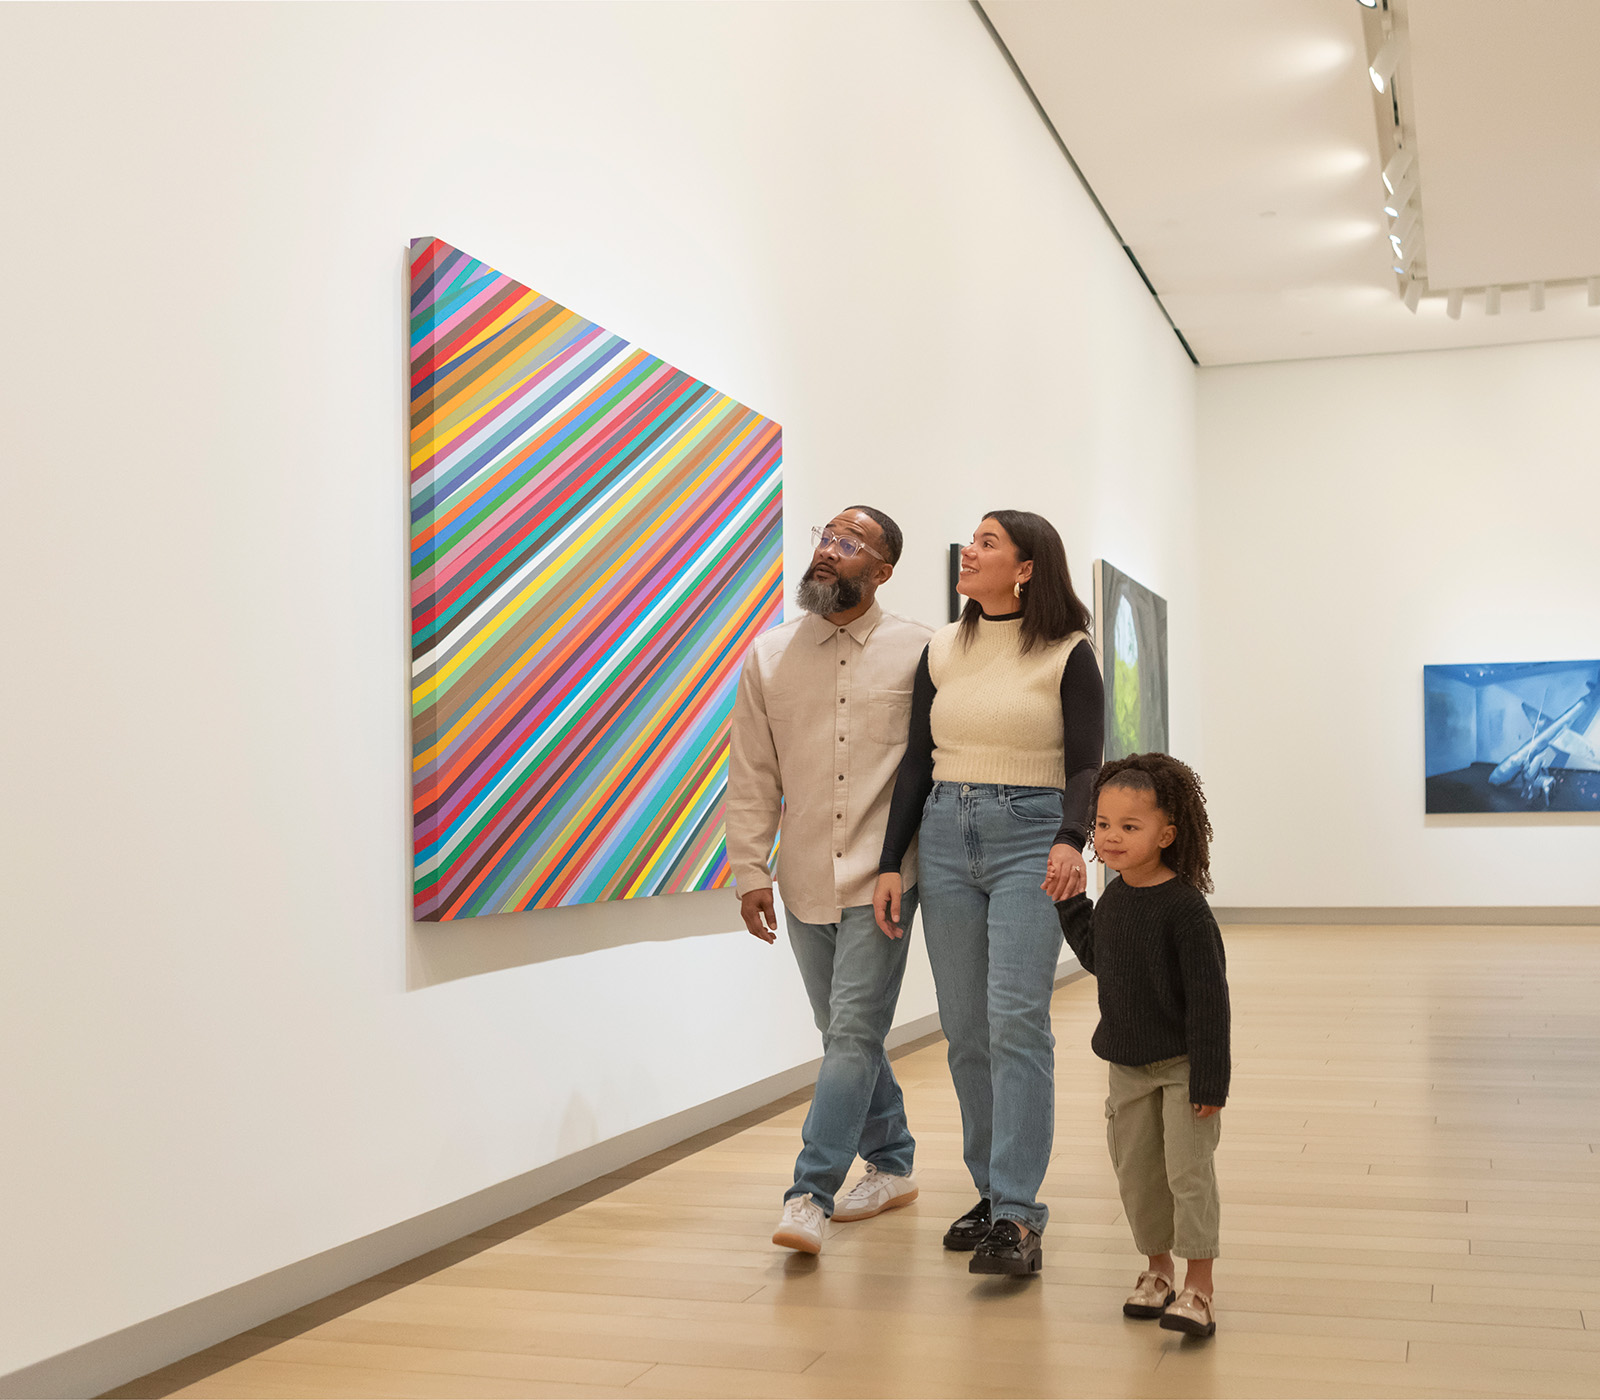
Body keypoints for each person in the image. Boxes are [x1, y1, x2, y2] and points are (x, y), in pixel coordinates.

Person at [874, 510, 1103, 1276]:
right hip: (942, 835)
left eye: (987, 543)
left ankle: (1018, 1214)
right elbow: (915, 761)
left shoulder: (1068, 654)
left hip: (1029, 835)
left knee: (1017, 1023)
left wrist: (1073, 838)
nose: (969, 553)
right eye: (971, 542)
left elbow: (1085, 764)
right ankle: (990, 1191)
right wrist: (887, 861)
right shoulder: (943, 647)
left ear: (1027, 568)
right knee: (967, 1029)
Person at [727, 506, 932, 1256]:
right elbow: (752, 771)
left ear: (881, 570)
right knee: (846, 1035)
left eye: (848, 544)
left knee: (850, 1033)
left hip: (887, 879)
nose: (827, 552)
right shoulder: (770, 655)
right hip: (803, 877)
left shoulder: (921, 652)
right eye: (825, 538)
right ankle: (893, 1161)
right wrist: (750, 867)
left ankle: (808, 1193)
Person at [1056, 753, 1230, 1339]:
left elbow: (1210, 1000)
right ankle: (1157, 1272)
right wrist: (1071, 904)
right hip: (1127, 1069)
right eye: (1103, 825)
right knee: (1138, 1174)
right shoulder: (1115, 901)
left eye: (1130, 827)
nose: (1110, 837)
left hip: (1183, 1068)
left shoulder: (1186, 909)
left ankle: (1199, 1287)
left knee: (1187, 1172)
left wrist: (1210, 1079)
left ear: (1167, 834)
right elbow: (1101, 960)